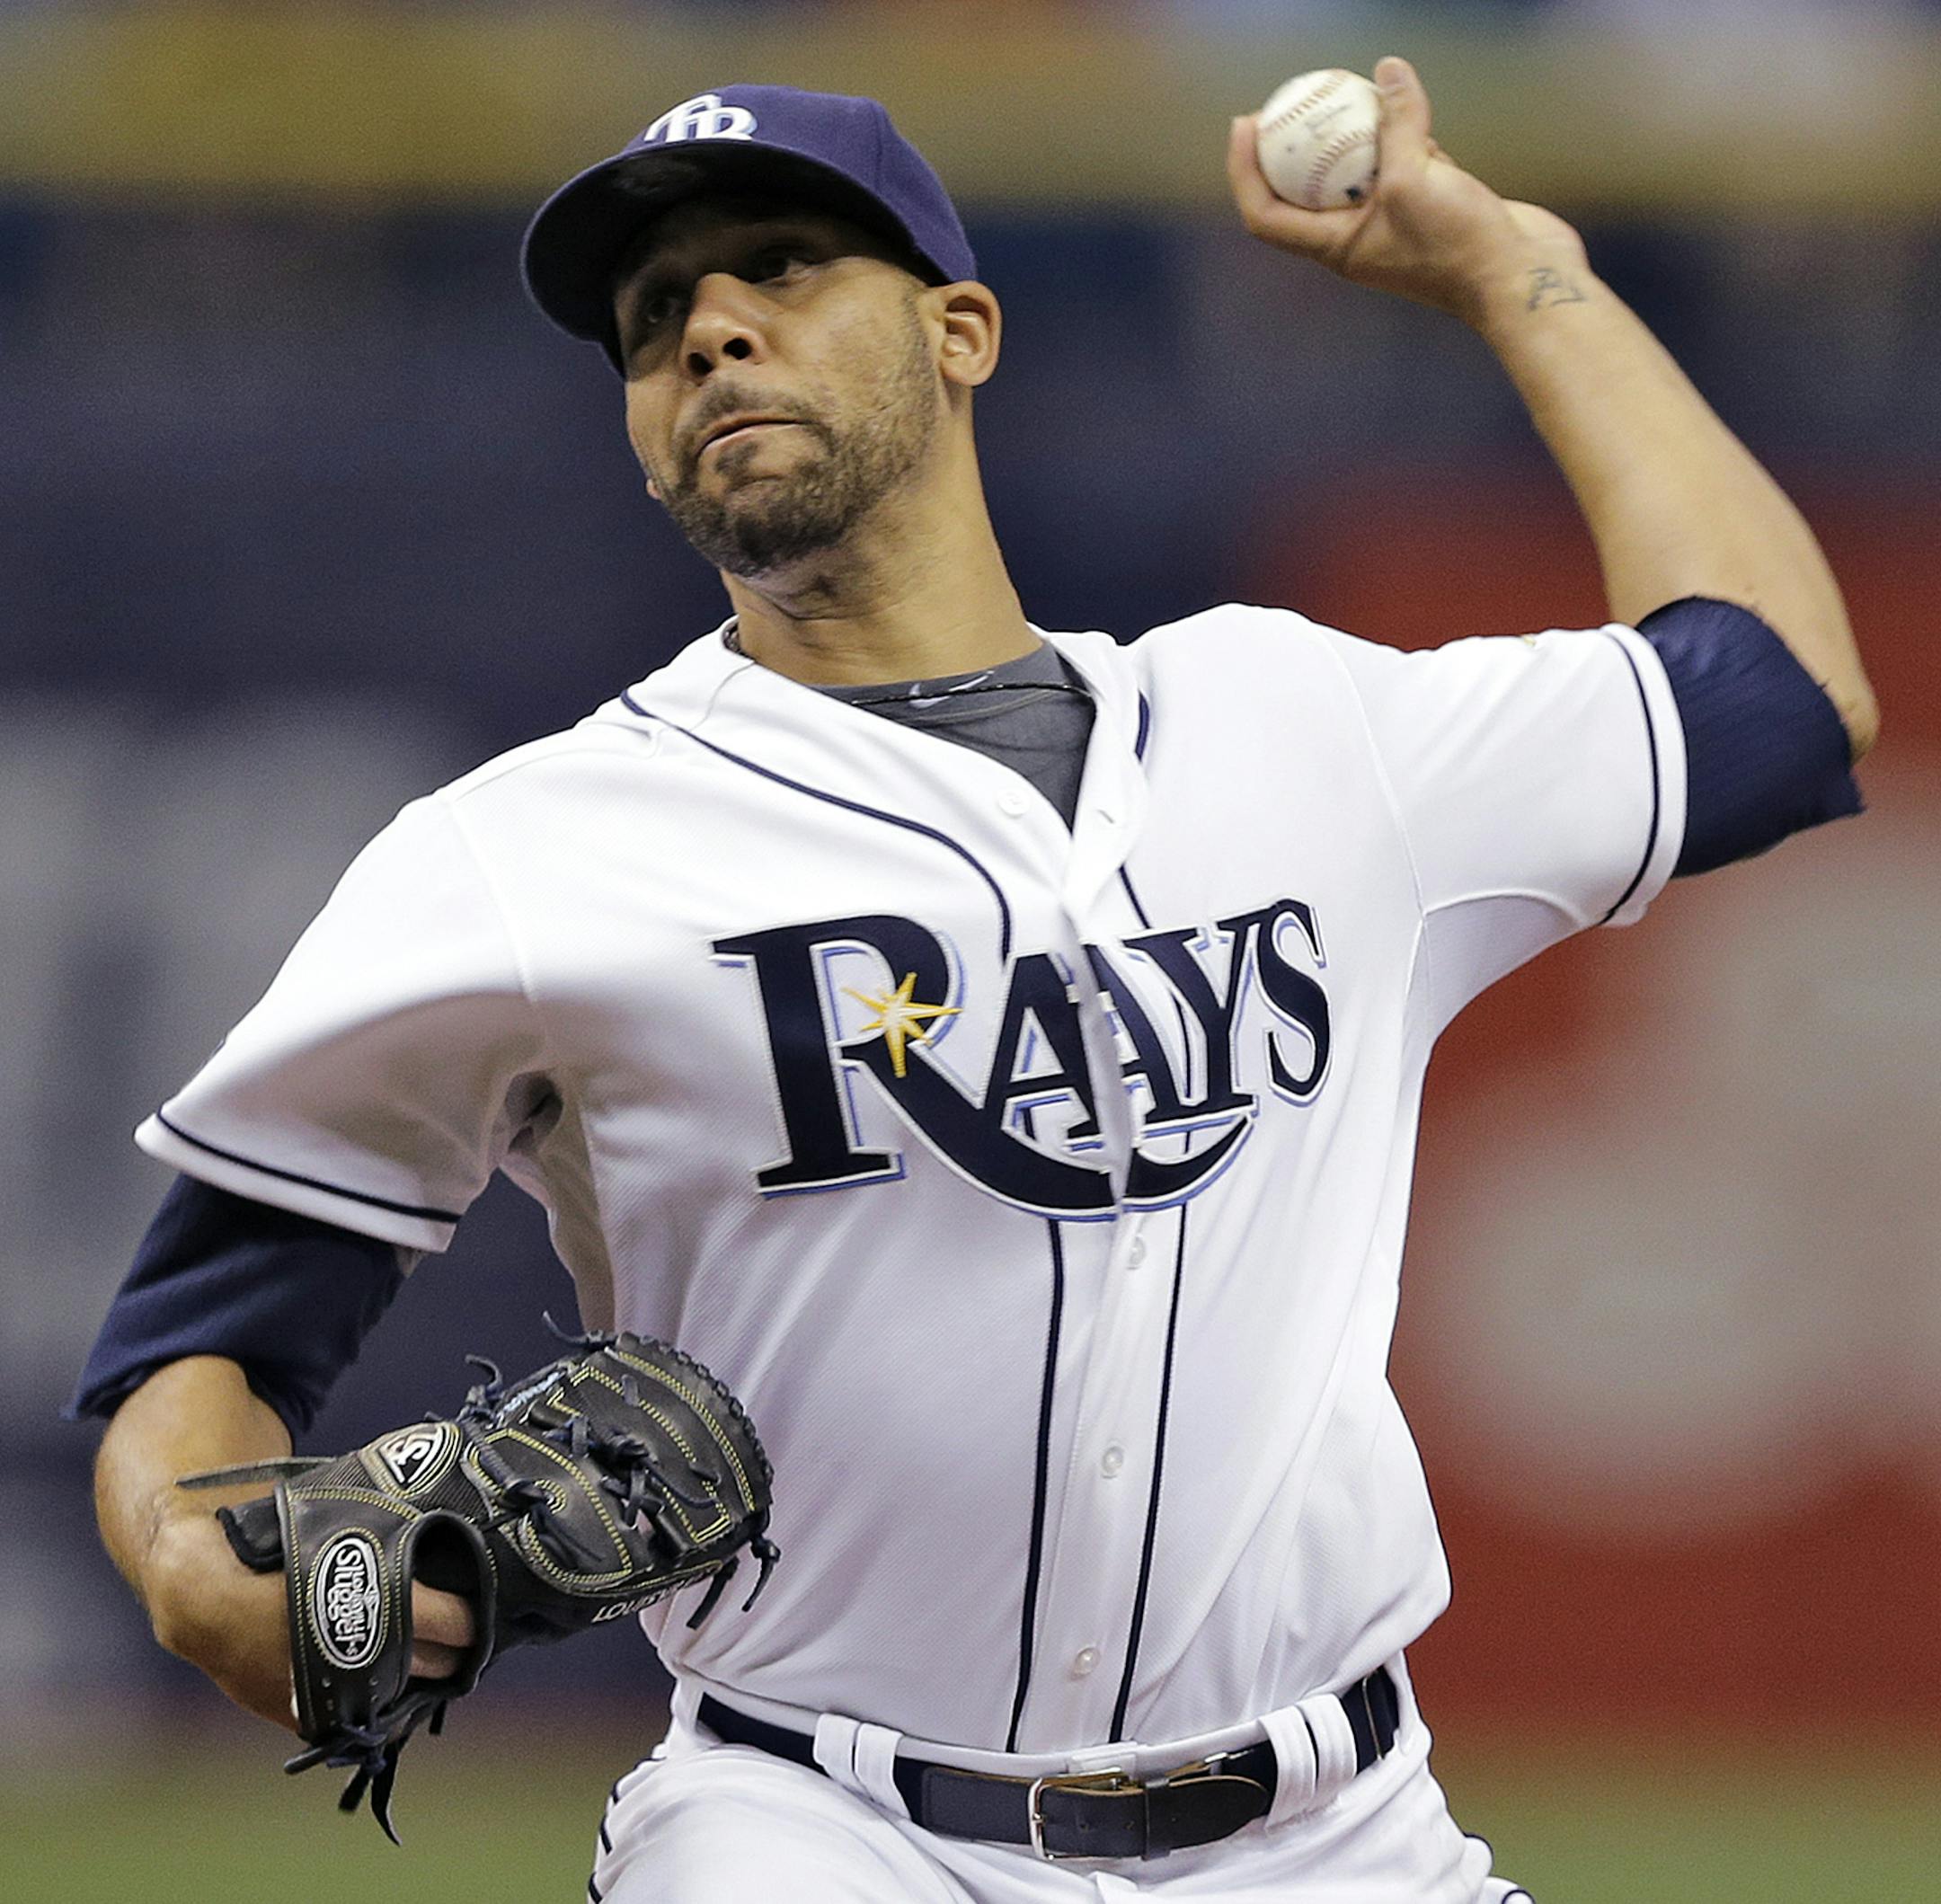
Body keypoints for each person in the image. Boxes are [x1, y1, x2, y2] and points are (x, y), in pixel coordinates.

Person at [75, 67, 1874, 1902]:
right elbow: (203, 1341)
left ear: (962, 332)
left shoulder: (1315, 730)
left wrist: (1519, 272)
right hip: (814, 1829)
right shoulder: (533, 850)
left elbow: (1781, 698)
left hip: (1347, 1833)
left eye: (780, 266)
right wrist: (196, 1558)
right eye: (652, 323)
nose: (710, 329)